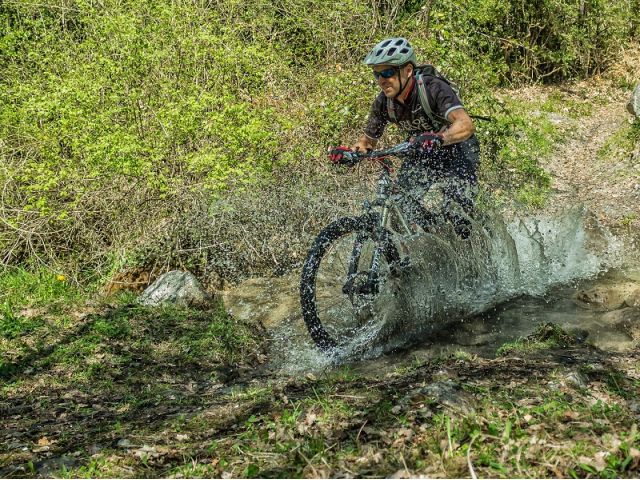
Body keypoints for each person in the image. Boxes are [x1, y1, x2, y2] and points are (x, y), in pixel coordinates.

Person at [329, 37, 480, 238]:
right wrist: (348, 152)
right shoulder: (384, 103)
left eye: (388, 72)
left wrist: (440, 138)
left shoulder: (432, 88)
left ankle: (470, 248)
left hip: (457, 148)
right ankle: (431, 243)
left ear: (408, 70)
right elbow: (366, 143)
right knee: (401, 206)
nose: (382, 80)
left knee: (459, 212)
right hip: (423, 151)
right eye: (377, 74)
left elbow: (465, 124)